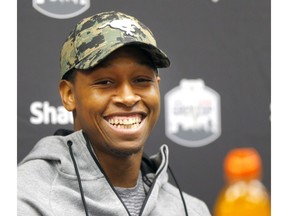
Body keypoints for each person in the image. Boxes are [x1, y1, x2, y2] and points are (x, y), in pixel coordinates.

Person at [17, 11, 211, 216]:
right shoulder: (22, 200)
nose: (128, 98)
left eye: (142, 80)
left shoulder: (191, 210)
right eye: (105, 82)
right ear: (69, 94)